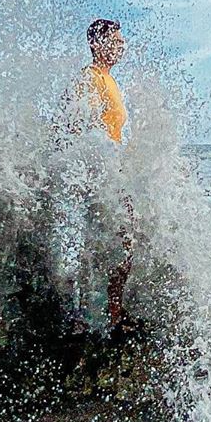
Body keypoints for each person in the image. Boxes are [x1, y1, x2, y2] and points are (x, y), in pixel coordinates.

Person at [76, 18, 134, 329]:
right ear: (97, 44)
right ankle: (103, 315)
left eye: (122, 41)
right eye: (116, 40)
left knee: (122, 242)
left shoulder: (109, 79)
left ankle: (108, 311)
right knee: (115, 242)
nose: (122, 45)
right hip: (100, 174)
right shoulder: (90, 78)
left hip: (113, 171)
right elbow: (75, 125)